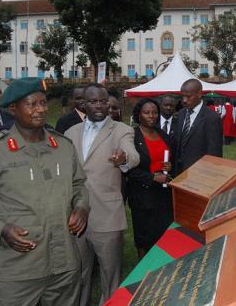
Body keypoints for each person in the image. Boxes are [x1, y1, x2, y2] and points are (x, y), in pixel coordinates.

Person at [0, 77, 90, 305]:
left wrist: (81, 207)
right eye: (32, 104)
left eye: (43, 103)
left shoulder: (63, 147)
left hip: (63, 263)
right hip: (16, 269)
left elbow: (79, 185)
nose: (41, 109)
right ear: (12, 109)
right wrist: (1, 229)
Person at [65, 84, 140, 306]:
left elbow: (132, 154)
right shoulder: (70, 133)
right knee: (78, 274)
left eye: (103, 101)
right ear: (83, 104)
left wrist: (124, 157)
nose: (99, 105)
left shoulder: (121, 130)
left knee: (110, 277)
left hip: (106, 216)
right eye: (93, 101)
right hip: (74, 216)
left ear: (108, 103)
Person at [127, 98, 174, 259]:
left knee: (163, 233)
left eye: (154, 112)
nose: (151, 116)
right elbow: (128, 169)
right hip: (142, 194)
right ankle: (143, 270)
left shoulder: (163, 135)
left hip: (163, 194)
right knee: (144, 236)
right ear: (139, 115)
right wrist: (152, 177)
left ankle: (161, 266)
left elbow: (170, 158)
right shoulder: (132, 136)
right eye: (147, 112)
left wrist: (169, 166)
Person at [173, 79, 222, 174]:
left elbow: (214, 152)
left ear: (199, 94)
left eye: (188, 96)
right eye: (182, 96)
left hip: (200, 173)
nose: (184, 100)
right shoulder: (181, 114)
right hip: (178, 173)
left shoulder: (211, 117)